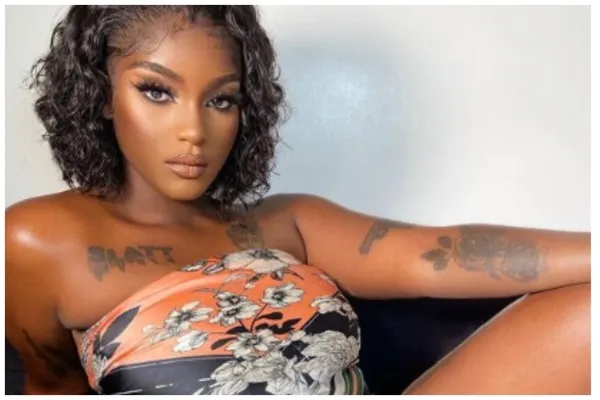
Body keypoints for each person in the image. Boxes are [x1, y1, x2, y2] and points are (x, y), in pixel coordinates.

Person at [5, 5, 590, 396]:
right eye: (157, 91)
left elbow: (435, 253)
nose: (193, 131)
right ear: (101, 94)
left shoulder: (288, 221)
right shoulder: (38, 238)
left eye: (222, 100)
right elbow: (50, 386)